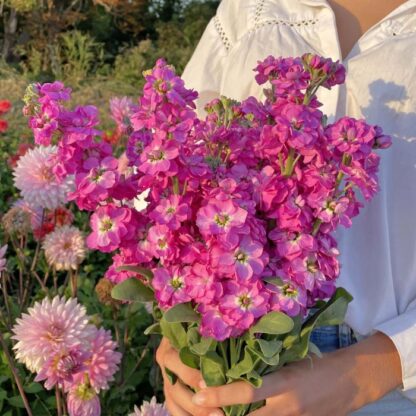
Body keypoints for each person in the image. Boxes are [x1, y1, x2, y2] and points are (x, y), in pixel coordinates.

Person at [156, 0, 416, 414]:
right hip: (227, 355)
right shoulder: (251, 10)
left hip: (391, 390)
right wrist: (182, 329)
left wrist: (372, 370)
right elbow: (181, 164)